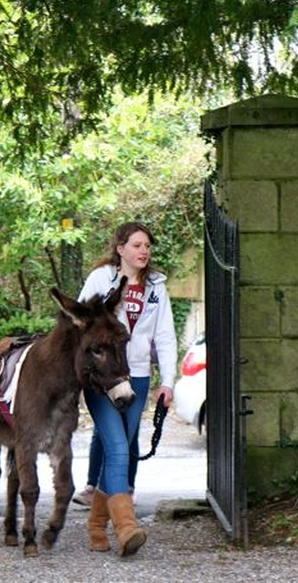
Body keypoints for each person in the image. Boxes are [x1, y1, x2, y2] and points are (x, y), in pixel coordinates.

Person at [76, 221, 177, 556]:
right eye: (136, 245)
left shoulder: (156, 288)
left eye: (147, 245)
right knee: (117, 448)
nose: (144, 251)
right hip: (103, 379)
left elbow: (164, 335)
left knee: (124, 448)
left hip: (138, 377)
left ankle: (95, 528)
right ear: (120, 249)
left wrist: (168, 381)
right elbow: (79, 323)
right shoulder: (99, 280)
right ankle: (126, 528)